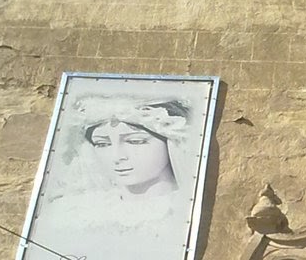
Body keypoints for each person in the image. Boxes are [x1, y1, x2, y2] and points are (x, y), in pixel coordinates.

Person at [24, 97, 197, 260]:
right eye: (102, 144)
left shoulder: (181, 212)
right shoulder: (73, 211)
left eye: (135, 141)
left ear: (172, 142)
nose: (117, 156)